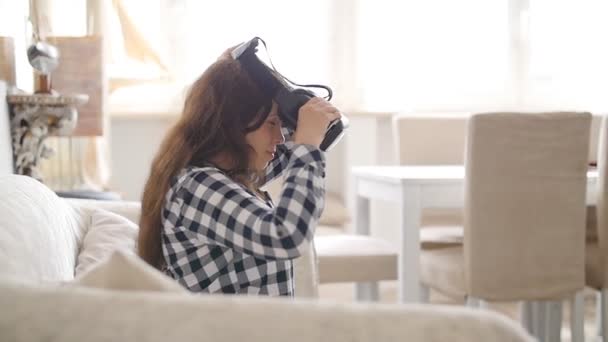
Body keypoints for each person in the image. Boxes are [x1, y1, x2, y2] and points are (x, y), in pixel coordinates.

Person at [138, 47, 342, 297]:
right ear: (233, 123)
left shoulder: (230, 174)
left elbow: (316, 141)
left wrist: (266, 81)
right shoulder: (198, 187)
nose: (279, 137)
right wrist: (307, 144)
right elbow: (287, 235)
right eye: (271, 123)